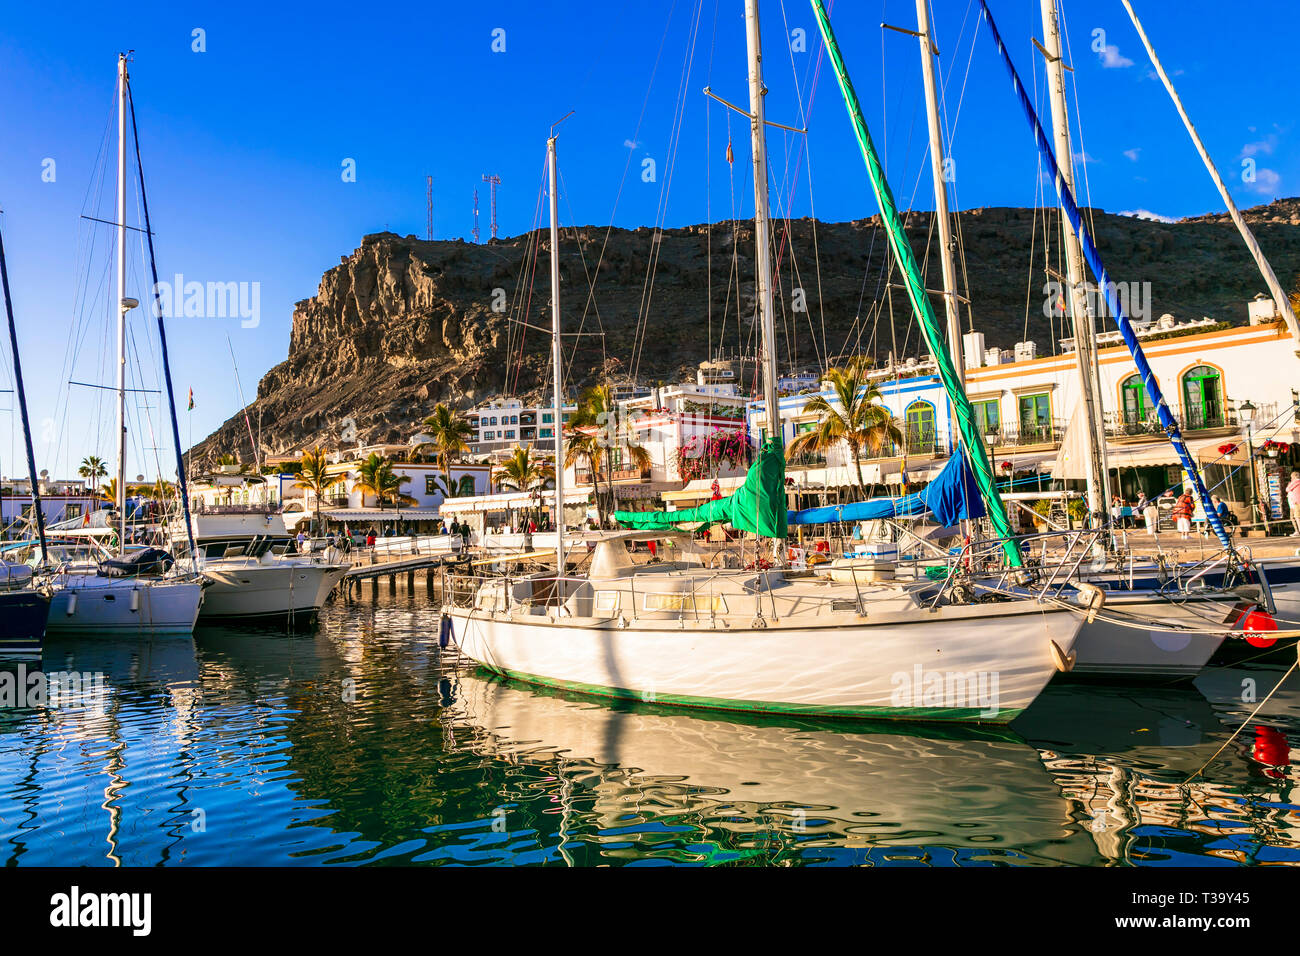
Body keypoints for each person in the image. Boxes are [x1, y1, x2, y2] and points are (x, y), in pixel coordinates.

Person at [1287, 470, 1300, 537]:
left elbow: (1287, 489)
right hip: (1293, 503)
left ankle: (1298, 531)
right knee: (1295, 517)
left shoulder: (1296, 482)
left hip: (1296, 502)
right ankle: (1297, 531)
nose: (1291, 478)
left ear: (1295, 477)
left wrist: (1290, 484)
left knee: (1296, 517)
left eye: (1292, 477)